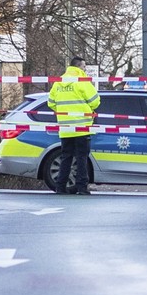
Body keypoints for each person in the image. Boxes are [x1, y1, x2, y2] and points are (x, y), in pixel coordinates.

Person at [50, 55, 100, 195]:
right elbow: (95, 101)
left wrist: (62, 113)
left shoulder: (59, 82)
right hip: (82, 128)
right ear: (78, 67)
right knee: (81, 158)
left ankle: (60, 187)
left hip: (65, 129)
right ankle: (82, 188)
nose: (85, 69)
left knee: (66, 158)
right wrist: (87, 109)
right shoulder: (82, 81)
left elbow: (51, 102)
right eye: (84, 67)